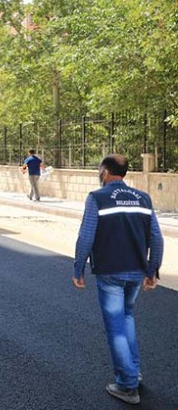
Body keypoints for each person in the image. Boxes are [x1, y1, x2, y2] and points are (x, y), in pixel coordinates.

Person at [72, 154, 163, 405]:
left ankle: (126, 385)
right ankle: (134, 371)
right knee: (127, 318)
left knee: (115, 328)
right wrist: (152, 270)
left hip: (110, 273)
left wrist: (78, 269)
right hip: (136, 272)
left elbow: (86, 236)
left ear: (105, 171)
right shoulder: (143, 198)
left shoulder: (97, 198)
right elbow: (156, 237)